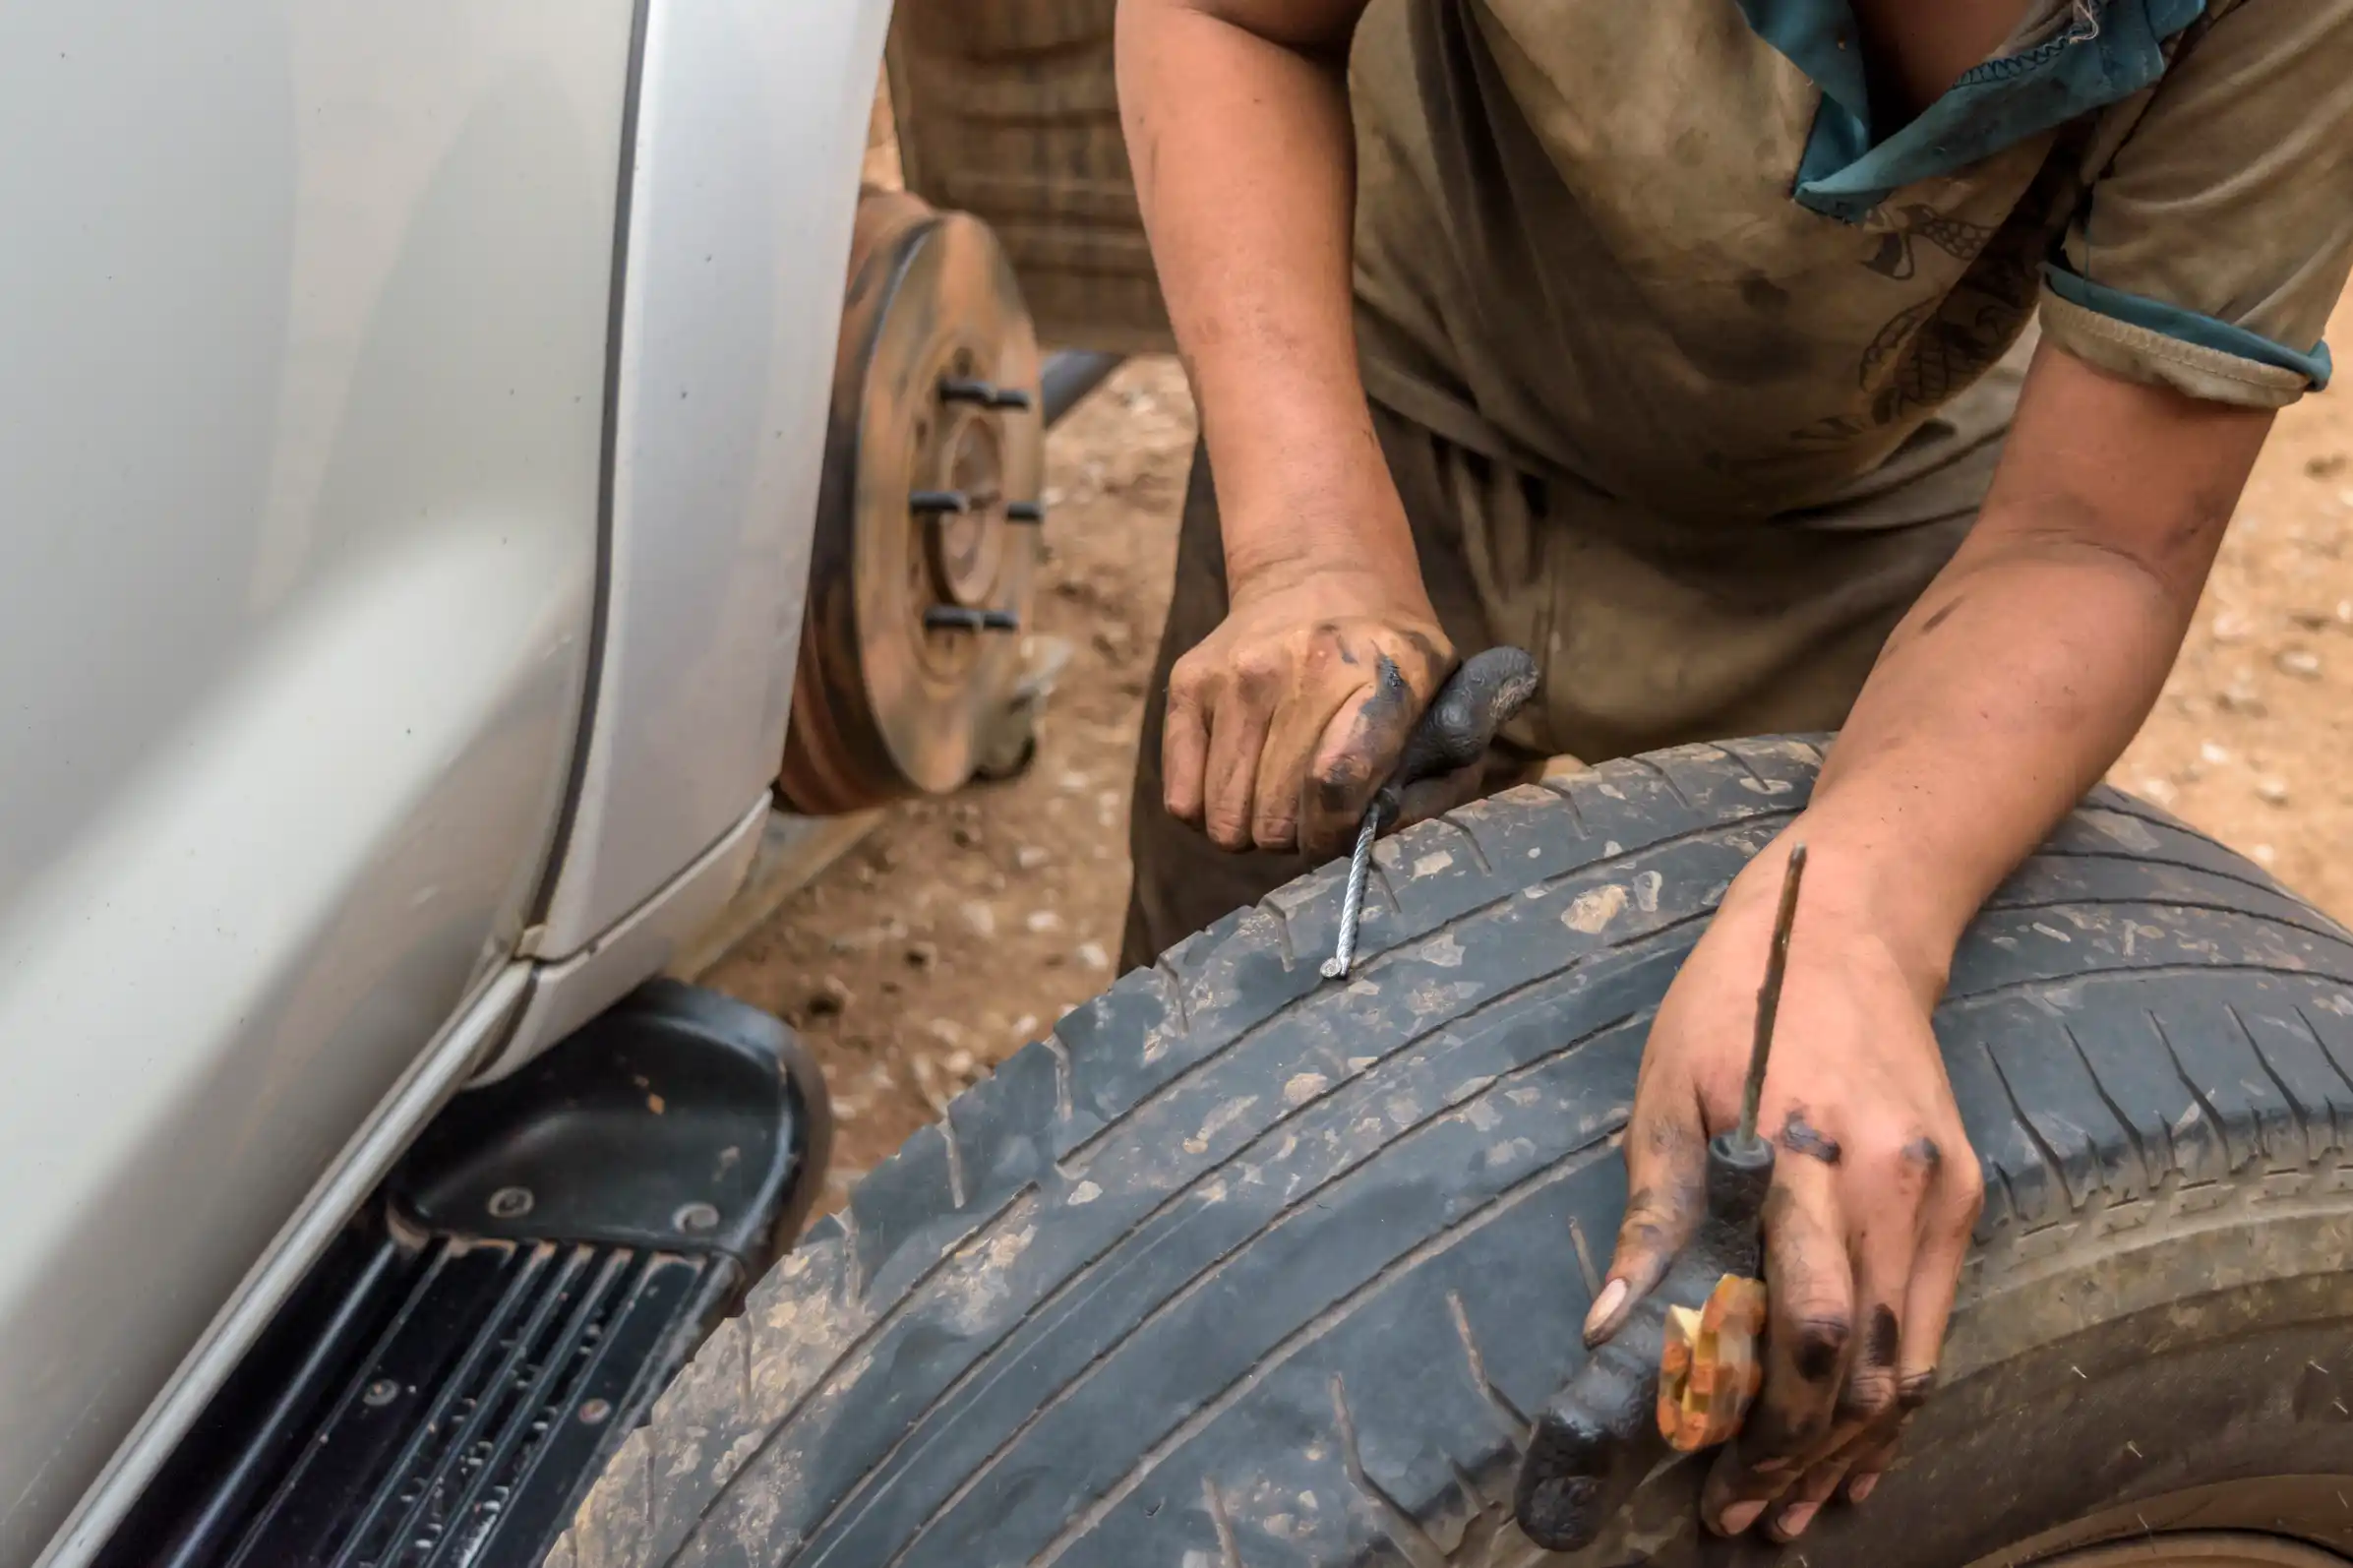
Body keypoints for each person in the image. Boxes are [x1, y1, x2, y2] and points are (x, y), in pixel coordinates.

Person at [1112, 0, 2350, 1542]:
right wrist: (1305, 542)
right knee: (1202, 1128)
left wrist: (1862, 910)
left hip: (1884, 531)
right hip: (1390, 396)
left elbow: (2092, 533)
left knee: (1790, 1187)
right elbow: (1234, 19)